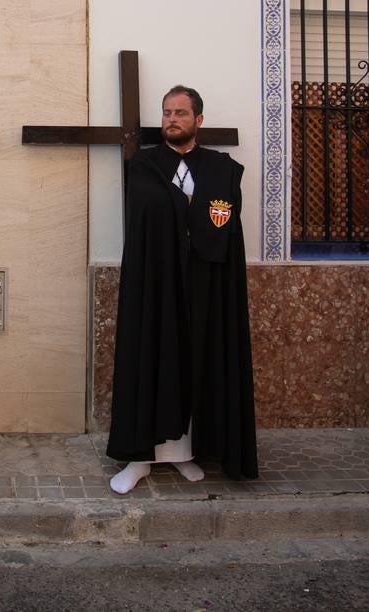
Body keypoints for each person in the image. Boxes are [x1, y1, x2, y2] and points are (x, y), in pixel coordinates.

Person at [106, 86, 258, 493]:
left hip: (204, 283)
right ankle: (140, 460)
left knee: (198, 363)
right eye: (167, 113)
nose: (172, 119)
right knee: (154, 361)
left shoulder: (221, 168)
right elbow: (150, 210)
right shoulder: (144, 164)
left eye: (181, 113)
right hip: (156, 283)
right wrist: (189, 210)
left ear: (198, 120)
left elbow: (223, 218)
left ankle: (185, 455)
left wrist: (188, 212)